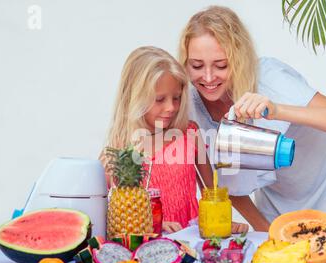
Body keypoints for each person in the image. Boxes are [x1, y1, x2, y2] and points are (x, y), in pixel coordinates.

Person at [178, 6, 326, 231]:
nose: (209, 77)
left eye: (221, 65)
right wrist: (265, 228)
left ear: (239, 59)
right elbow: (224, 182)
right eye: (196, 65)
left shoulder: (271, 79)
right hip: (278, 209)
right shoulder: (188, 105)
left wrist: (277, 111)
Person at [99, 46, 249, 234]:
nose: (171, 107)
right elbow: (107, 214)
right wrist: (152, 224)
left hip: (190, 242)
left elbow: (211, 194)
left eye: (176, 98)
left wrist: (223, 222)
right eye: (160, 99)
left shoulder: (190, 134)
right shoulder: (117, 150)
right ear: (134, 97)